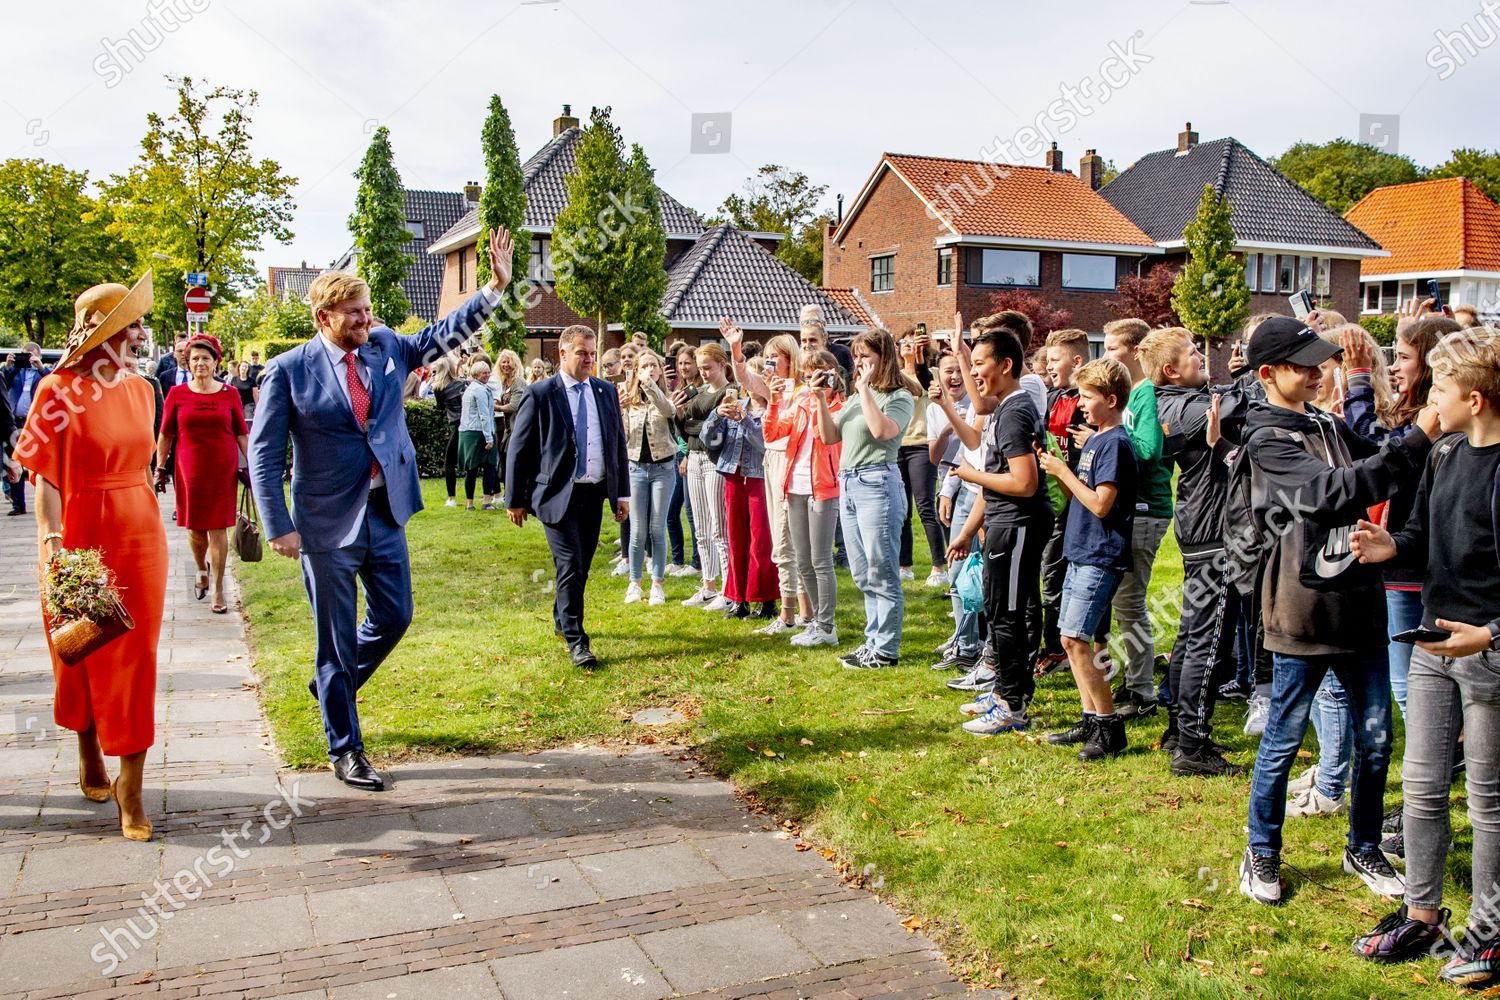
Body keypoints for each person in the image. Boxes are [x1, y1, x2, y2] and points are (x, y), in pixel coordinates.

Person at [249, 227, 515, 791]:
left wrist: (493, 287)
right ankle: (345, 747)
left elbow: (442, 334)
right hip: (325, 523)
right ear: (323, 316)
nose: (364, 320)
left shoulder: (387, 347)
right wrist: (279, 525)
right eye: (353, 313)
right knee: (335, 638)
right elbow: (265, 451)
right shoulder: (288, 369)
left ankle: (332, 687)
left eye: (367, 311)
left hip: (385, 509)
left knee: (395, 616)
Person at [1235, 316, 1437, 906]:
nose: (1318, 373)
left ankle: (1364, 846)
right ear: (1269, 374)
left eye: (1322, 362)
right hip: (1302, 611)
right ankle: (1262, 852)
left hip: (1361, 606)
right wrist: (1421, 435)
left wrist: (1425, 428)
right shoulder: (1266, 440)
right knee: (1284, 736)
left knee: (1376, 739)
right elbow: (1332, 493)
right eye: (1304, 366)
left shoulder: (1325, 422)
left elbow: (1383, 460)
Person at [1349, 329, 1500, 984]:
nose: (1428, 399)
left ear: (1475, 397)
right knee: (1423, 786)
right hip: (1435, 643)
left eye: (1439, 389)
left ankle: (1491, 936)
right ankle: (1422, 913)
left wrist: (1490, 635)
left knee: (1490, 800)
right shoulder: (1442, 455)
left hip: (1488, 650)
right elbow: (1421, 539)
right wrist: (1391, 548)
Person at [14, 271, 165, 840]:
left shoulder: (144, 390)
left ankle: (132, 783)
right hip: (78, 530)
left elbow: (145, 467)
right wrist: (51, 541)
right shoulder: (56, 392)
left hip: (140, 534)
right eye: (136, 324)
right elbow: (44, 478)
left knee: (136, 655)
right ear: (107, 334)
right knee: (79, 649)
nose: (143, 333)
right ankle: (87, 748)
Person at [1144, 328, 1248, 778]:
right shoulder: (1184, 408)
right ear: (1171, 370)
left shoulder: (1176, 400)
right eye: (1191, 352)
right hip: (1212, 533)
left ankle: (1179, 730)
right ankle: (1192, 745)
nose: (1201, 355)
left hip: (1202, 527)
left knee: (1191, 637)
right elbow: (1241, 401)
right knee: (1208, 641)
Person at [947, 327, 1052, 735]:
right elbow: (995, 483)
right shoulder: (1003, 407)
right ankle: (1007, 691)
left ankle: (1012, 705)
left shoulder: (1014, 412)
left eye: (979, 365)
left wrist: (972, 473)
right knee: (1000, 612)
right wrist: (967, 531)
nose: (974, 375)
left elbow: (1023, 482)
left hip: (1019, 525)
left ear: (1005, 365)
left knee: (1007, 616)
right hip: (1003, 523)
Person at [506, 324, 628, 667]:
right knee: (571, 563)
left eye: (592, 354)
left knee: (580, 567)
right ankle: (577, 640)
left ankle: (563, 616)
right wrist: (515, 499)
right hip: (556, 495)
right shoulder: (541, 393)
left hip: (593, 493)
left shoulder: (605, 392)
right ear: (563, 353)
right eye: (581, 353)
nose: (589, 360)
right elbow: (519, 449)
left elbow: (616, 443)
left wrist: (622, 494)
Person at [1037, 359, 1138, 761]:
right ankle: (1090, 717)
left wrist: (1063, 471)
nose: (1079, 403)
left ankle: (1109, 727)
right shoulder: (1096, 438)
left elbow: (1100, 504)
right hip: (1080, 551)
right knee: (1074, 638)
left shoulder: (1115, 443)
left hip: (1100, 555)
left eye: (1087, 396)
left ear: (1111, 400)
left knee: (1074, 640)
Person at [815, 328, 915, 669]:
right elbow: (828, 436)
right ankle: (873, 640)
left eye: (865, 355)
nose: (858, 362)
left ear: (883, 357)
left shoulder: (898, 396)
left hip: (877, 483)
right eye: (856, 356)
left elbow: (883, 431)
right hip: (849, 483)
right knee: (861, 571)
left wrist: (862, 390)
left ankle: (886, 649)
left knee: (881, 568)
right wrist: (819, 401)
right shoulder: (860, 396)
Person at [1100, 318, 1171, 720]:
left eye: (1111, 348)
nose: (1106, 354)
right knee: (1124, 601)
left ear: (1137, 350)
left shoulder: (1147, 393)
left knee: (1130, 603)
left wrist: (1108, 439)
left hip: (1146, 510)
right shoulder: (1136, 395)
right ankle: (1135, 679)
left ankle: (1142, 691)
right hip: (1130, 509)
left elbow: (1147, 450)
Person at [723, 321, 808, 634]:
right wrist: (734, 347)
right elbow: (744, 376)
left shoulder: (801, 391)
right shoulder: (771, 388)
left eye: (776, 357)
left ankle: (798, 613)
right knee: (780, 538)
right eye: (767, 356)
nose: (770, 362)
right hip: (770, 462)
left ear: (789, 359)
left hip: (794, 464)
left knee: (792, 540)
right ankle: (791, 613)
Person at [155, 335, 249, 614]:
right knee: (196, 529)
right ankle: (200, 568)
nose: (200, 363)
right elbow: (166, 434)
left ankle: (218, 589)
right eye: (194, 358)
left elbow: (242, 434)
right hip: (189, 468)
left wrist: (254, 465)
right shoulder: (177, 394)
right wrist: (160, 468)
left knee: (219, 528)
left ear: (215, 361)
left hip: (222, 468)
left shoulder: (229, 394)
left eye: (205, 358)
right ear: (188, 361)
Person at [765, 349, 843, 647]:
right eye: (810, 373)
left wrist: (820, 399)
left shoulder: (839, 406)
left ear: (835, 375)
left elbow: (827, 437)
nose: (815, 378)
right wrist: (774, 401)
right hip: (794, 486)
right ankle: (813, 623)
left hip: (823, 489)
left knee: (821, 560)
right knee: (802, 561)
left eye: (822, 372)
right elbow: (772, 434)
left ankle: (827, 627)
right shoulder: (799, 402)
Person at [1037, 328, 1097, 673]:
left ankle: (1061, 647)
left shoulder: (1087, 400)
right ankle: (1054, 644)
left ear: (1077, 361)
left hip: (1080, 497)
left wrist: (1090, 441)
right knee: (1051, 569)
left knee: (1059, 572)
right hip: (1055, 496)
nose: (1048, 367)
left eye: (1054, 360)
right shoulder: (1052, 397)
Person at [702, 370, 778, 621]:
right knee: (735, 540)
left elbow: (764, 443)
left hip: (758, 477)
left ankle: (766, 600)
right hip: (733, 476)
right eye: (747, 379)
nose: (751, 383)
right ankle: (739, 598)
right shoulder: (735, 404)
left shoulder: (773, 409)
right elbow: (707, 439)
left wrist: (745, 420)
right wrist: (716, 414)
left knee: (761, 541)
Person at [676, 344, 734, 611]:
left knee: (718, 528)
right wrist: (686, 420)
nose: (704, 373)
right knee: (700, 526)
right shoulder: (699, 392)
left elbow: (718, 428)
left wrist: (696, 425)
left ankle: (728, 588)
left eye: (708, 368)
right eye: (701, 369)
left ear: (723, 364)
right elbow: (686, 426)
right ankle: (708, 584)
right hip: (695, 459)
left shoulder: (729, 392)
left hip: (715, 461)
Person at [620, 350, 676, 606]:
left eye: (654, 365)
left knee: (657, 528)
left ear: (660, 370)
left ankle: (657, 584)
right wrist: (618, 411)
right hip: (636, 469)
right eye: (644, 366)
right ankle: (634, 583)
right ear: (635, 370)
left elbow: (668, 411)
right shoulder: (628, 401)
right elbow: (622, 438)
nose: (649, 369)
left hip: (663, 468)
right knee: (638, 529)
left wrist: (651, 385)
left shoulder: (665, 396)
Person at [897, 331, 947, 588]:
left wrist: (919, 358)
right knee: (901, 510)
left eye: (911, 340)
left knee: (925, 505)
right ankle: (904, 566)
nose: (906, 344)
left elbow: (927, 386)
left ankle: (939, 567)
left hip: (921, 444)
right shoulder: (892, 375)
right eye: (902, 341)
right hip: (898, 445)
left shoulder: (933, 373)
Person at [664, 341, 701, 577]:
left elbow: (692, 429)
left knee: (692, 512)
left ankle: (697, 564)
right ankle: (678, 559)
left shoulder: (699, 391)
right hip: (677, 452)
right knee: (671, 512)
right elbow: (677, 424)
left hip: (690, 454)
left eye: (688, 362)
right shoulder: (680, 390)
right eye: (680, 363)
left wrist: (687, 455)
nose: (683, 367)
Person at [3, 342, 49, 515]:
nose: (27, 359)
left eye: (30, 355)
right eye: (24, 355)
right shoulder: (15, 372)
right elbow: (3, 385)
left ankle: (43, 501)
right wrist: (10, 367)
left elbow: (52, 384)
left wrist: (40, 367)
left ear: (39, 355)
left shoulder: (42, 372)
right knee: (13, 462)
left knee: (38, 464)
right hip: (15, 422)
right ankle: (18, 505)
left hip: (37, 423)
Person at [458, 359, 499, 510]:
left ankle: (469, 503)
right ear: (476, 374)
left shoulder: (469, 389)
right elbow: (484, 415)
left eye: (488, 372)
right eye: (484, 373)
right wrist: (489, 438)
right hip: (479, 433)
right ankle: (486, 501)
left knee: (471, 469)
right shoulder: (481, 390)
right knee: (489, 466)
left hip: (467, 432)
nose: (487, 375)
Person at [426, 357, 467, 507]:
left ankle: (451, 498)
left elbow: (440, 407)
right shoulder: (461, 384)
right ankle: (493, 494)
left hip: (456, 424)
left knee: (449, 462)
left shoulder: (438, 388)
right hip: (468, 422)